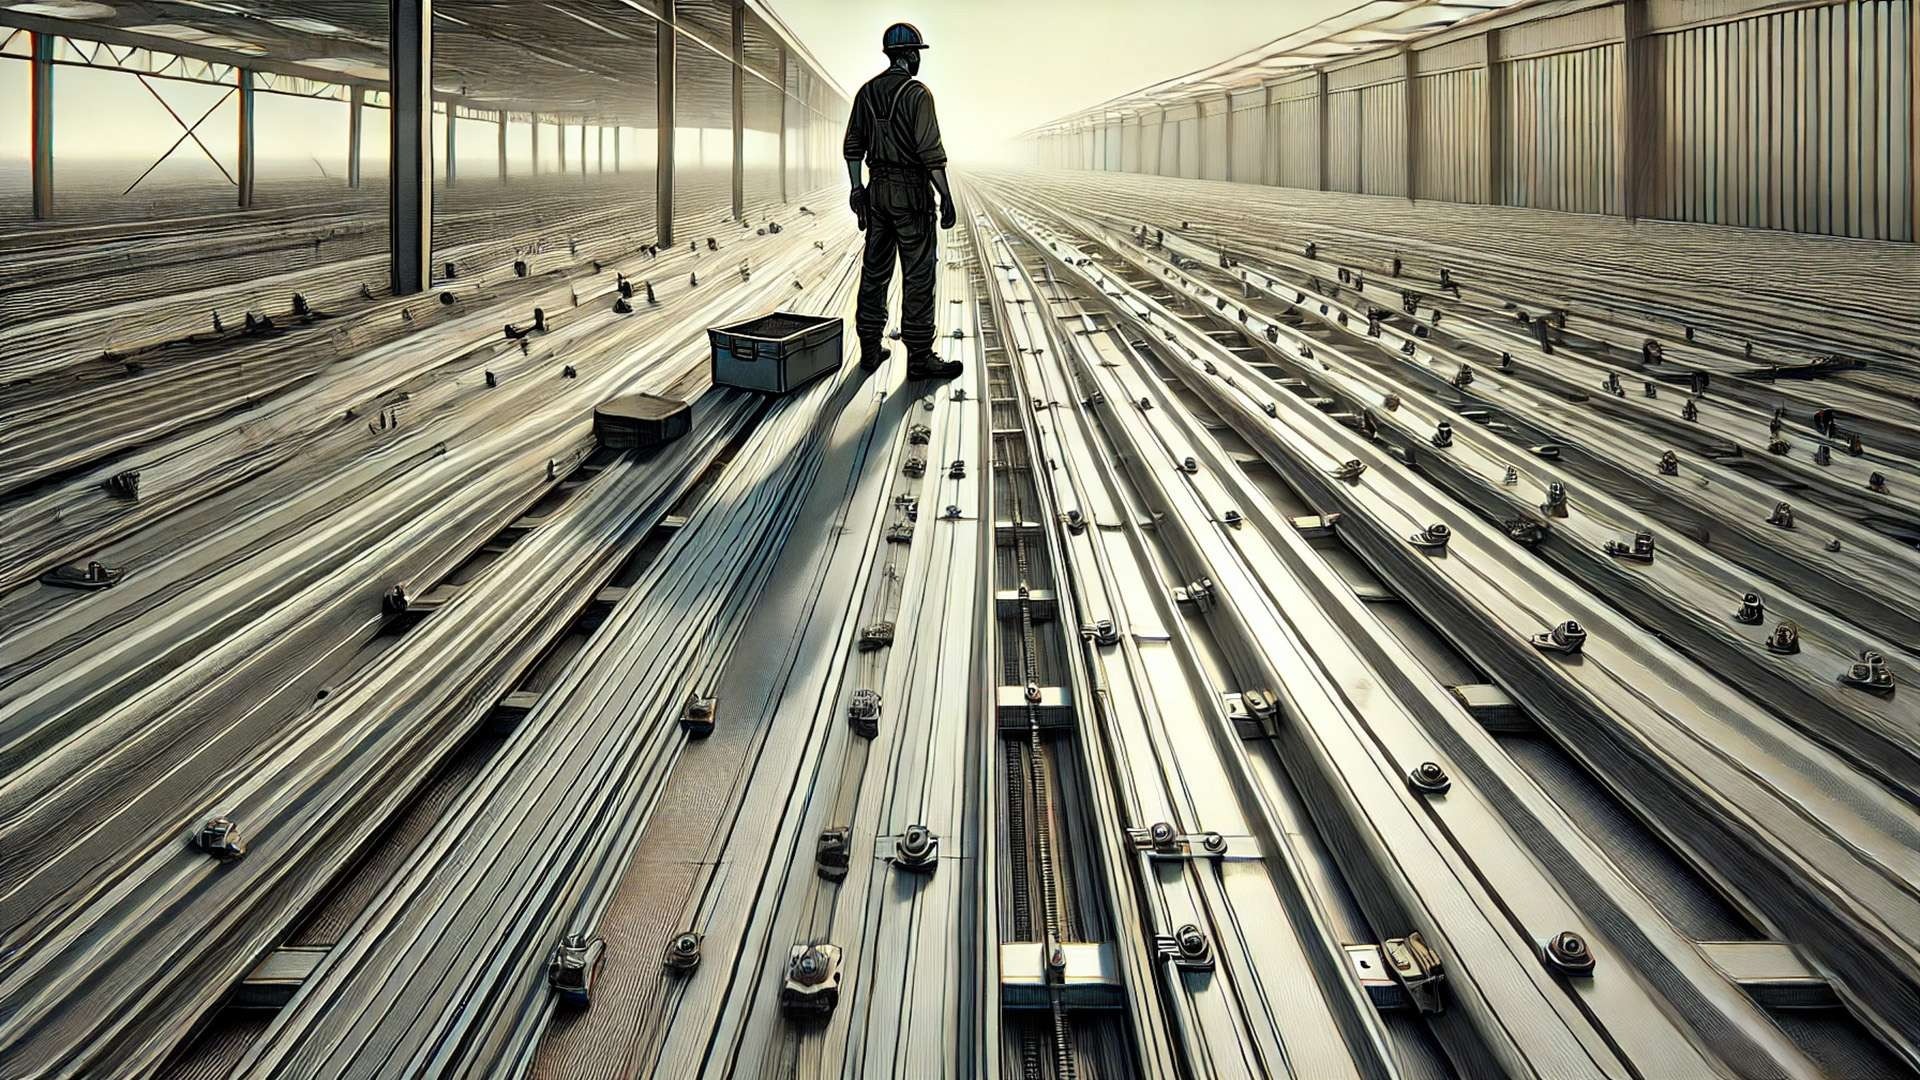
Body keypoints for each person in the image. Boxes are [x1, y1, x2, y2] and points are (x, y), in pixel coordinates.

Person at [843, 22, 963, 379]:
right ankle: (920, 358)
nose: (918, 60)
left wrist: (857, 189)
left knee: (875, 271)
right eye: (917, 54)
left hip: (876, 191)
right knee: (918, 274)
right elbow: (930, 153)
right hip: (911, 194)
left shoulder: (866, 92)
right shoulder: (917, 94)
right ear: (910, 54)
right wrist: (946, 195)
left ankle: (869, 349)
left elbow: (853, 147)